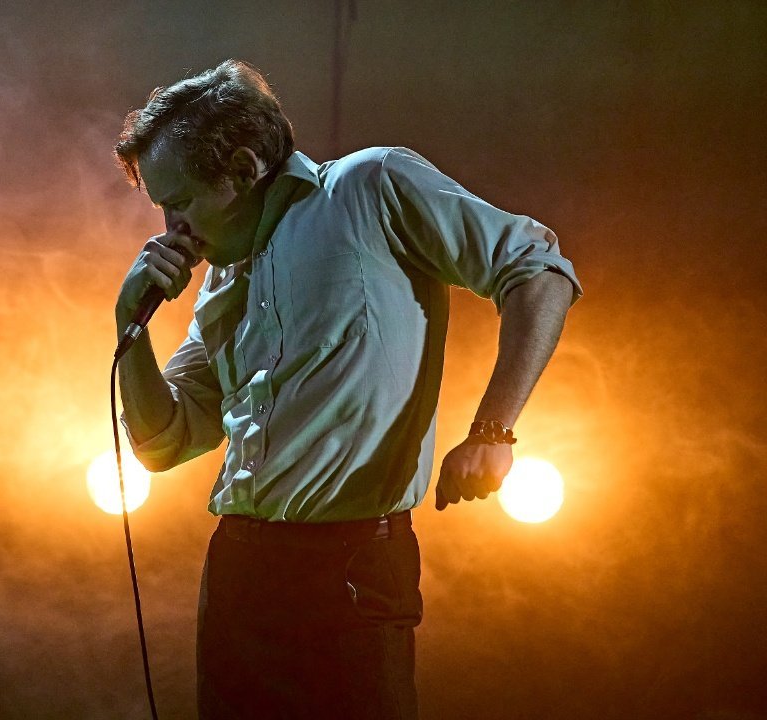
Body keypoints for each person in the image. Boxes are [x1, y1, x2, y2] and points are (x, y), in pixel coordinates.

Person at [112, 60, 581, 720]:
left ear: (243, 170)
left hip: (352, 565)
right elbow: (161, 443)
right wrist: (127, 327)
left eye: (181, 201)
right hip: (239, 572)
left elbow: (538, 271)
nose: (170, 228)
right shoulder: (220, 280)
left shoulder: (371, 186)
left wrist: (493, 429)